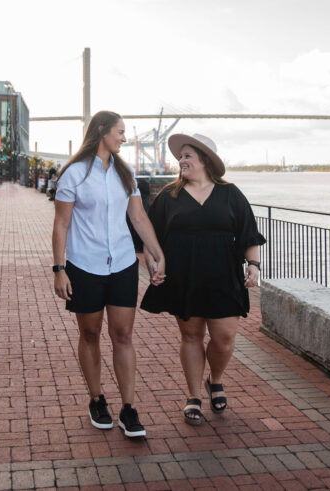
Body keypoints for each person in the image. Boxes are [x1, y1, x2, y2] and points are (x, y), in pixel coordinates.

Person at [51, 111, 166, 438]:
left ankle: (129, 408)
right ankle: (97, 399)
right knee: (90, 333)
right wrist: (59, 269)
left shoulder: (124, 172)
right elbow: (61, 223)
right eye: (120, 131)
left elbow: (139, 217)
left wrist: (157, 254)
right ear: (102, 131)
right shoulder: (73, 174)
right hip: (84, 265)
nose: (124, 137)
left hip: (123, 264)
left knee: (123, 335)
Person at [140, 133, 265, 426]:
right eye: (180, 156)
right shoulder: (168, 196)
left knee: (224, 339)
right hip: (184, 277)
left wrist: (254, 265)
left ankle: (215, 379)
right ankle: (193, 395)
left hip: (224, 275)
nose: (180, 161)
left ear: (204, 160)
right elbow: (150, 237)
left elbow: (248, 232)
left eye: (187, 156)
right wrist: (153, 264)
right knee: (191, 337)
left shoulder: (231, 193)